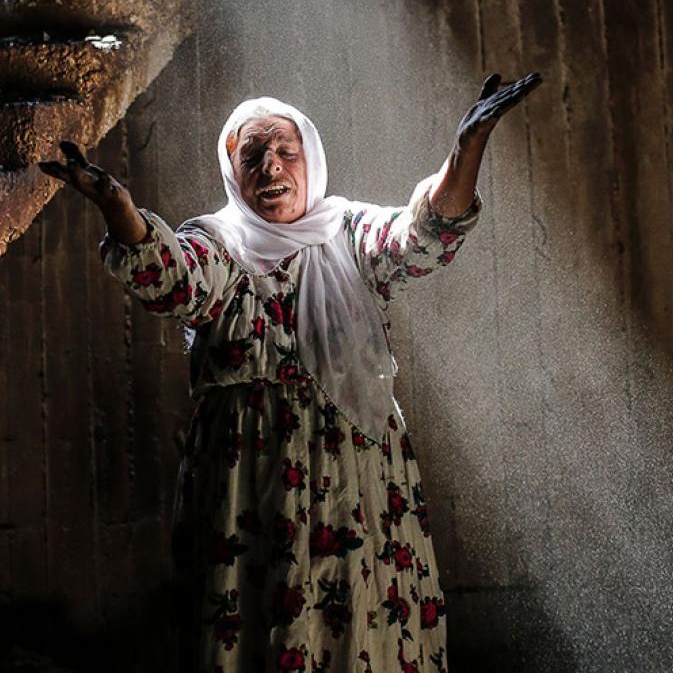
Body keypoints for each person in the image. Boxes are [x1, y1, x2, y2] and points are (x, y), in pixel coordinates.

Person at [40, 73, 541, 671]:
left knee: (362, 619)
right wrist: (119, 208)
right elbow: (171, 279)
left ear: (310, 157)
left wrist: (466, 150)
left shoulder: (350, 234)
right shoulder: (217, 241)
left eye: (285, 152)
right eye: (254, 156)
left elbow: (421, 236)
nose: (271, 167)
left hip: (357, 480)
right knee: (258, 628)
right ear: (235, 172)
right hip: (248, 479)